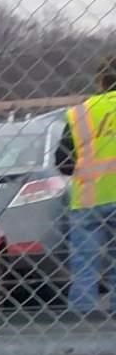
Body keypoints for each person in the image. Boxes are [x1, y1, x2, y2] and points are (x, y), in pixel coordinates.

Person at [62, 56, 116, 316]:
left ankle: (80, 328)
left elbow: (63, 162)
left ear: (100, 80)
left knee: (84, 266)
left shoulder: (80, 113)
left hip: (87, 200)